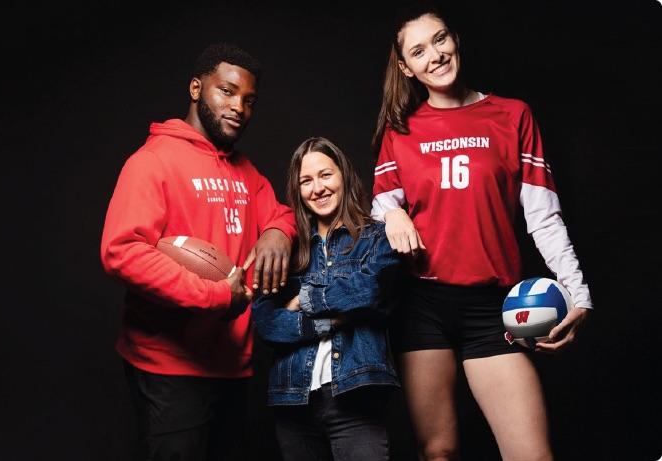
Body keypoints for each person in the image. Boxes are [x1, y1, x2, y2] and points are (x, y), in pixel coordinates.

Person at [370, 3, 593, 461]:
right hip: (422, 305)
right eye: (418, 51)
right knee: (438, 452)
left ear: (455, 40)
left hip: (494, 307)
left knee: (531, 454)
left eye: (440, 39)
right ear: (405, 67)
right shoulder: (401, 131)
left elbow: (543, 215)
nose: (434, 55)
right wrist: (393, 215)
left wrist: (579, 291)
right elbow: (379, 204)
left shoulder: (512, 115)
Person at [100, 43, 296, 461]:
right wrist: (215, 296)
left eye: (249, 100)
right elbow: (122, 250)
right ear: (195, 88)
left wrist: (278, 231)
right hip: (168, 365)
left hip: (230, 363)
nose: (238, 107)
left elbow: (281, 213)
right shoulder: (152, 162)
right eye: (226, 91)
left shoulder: (246, 171)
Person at [251, 137, 402, 461]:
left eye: (325, 175)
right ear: (298, 190)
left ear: (343, 175)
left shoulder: (376, 237)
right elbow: (266, 321)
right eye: (306, 180)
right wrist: (328, 321)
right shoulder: (285, 251)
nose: (317, 188)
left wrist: (304, 298)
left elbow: (372, 291)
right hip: (293, 402)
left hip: (357, 396)